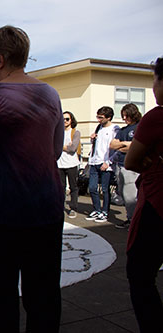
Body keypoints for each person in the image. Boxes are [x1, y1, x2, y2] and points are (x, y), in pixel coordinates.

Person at [0, 26, 64, 332]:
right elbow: (55, 149)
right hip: (46, 207)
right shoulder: (50, 94)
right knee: (44, 294)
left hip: (1, 209)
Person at [124, 56, 163, 333]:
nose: (153, 87)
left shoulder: (158, 116)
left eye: (154, 80)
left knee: (140, 274)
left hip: (158, 204)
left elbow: (131, 161)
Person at [85, 106, 120, 223]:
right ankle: (97, 209)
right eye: (97, 117)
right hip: (94, 161)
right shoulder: (98, 127)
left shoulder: (114, 129)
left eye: (101, 117)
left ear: (109, 117)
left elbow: (116, 147)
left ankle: (105, 211)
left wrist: (109, 162)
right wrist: (92, 139)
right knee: (92, 188)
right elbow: (98, 145)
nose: (98, 119)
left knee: (105, 189)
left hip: (106, 163)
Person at [110, 103, 141, 229]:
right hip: (120, 165)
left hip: (132, 168)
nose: (124, 118)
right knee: (123, 194)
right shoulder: (122, 130)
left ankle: (134, 220)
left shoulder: (139, 127)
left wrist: (125, 145)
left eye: (126, 115)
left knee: (131, 196)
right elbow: (113, 145)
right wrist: (125, 145)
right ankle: (130, 218)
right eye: (123, 116)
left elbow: (135, 146)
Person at [57, 111, 81, 218]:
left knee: (73, 187)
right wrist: (65, 147)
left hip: (71, 163)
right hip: (60, 163)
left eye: (67, 119)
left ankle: (73, 208)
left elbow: (73, 148)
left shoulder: (75, 132)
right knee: (61, 187)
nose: (65, 121)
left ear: (71, 120)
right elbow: (53, 145)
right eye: (63, 119)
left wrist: (61, 147)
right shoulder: (58, 132)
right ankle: (60, 207)